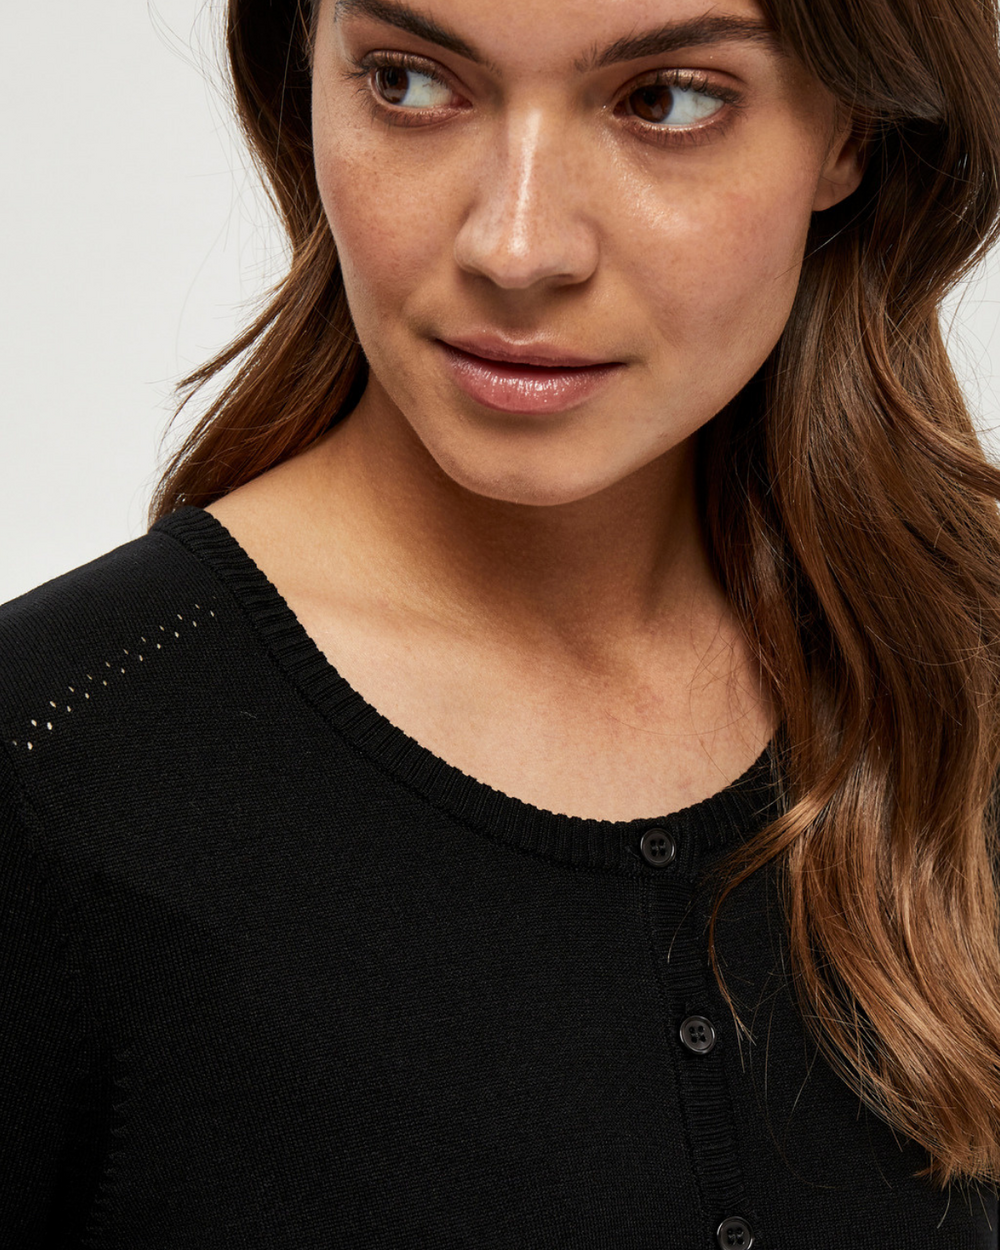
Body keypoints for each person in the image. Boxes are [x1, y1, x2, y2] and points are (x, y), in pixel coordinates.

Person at [3, 0, 1000, 1243]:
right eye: (409, 83)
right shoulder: (48, 770)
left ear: (852, 132)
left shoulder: (957, 689)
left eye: (665, 100)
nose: (518, 248)